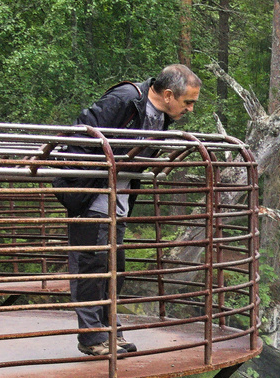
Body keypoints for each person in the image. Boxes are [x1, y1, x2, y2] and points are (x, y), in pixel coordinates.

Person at [66, 64, 200, 357]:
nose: (190, 109)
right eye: (187, 102)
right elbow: (81, 136)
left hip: (120, 202)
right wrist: (81, 187)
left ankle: (110, 331)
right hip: (93, 199)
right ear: (168, 94)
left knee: (115, 270)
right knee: (92, 268)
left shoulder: (160, 118)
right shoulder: (126, 99)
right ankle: (91, 337)